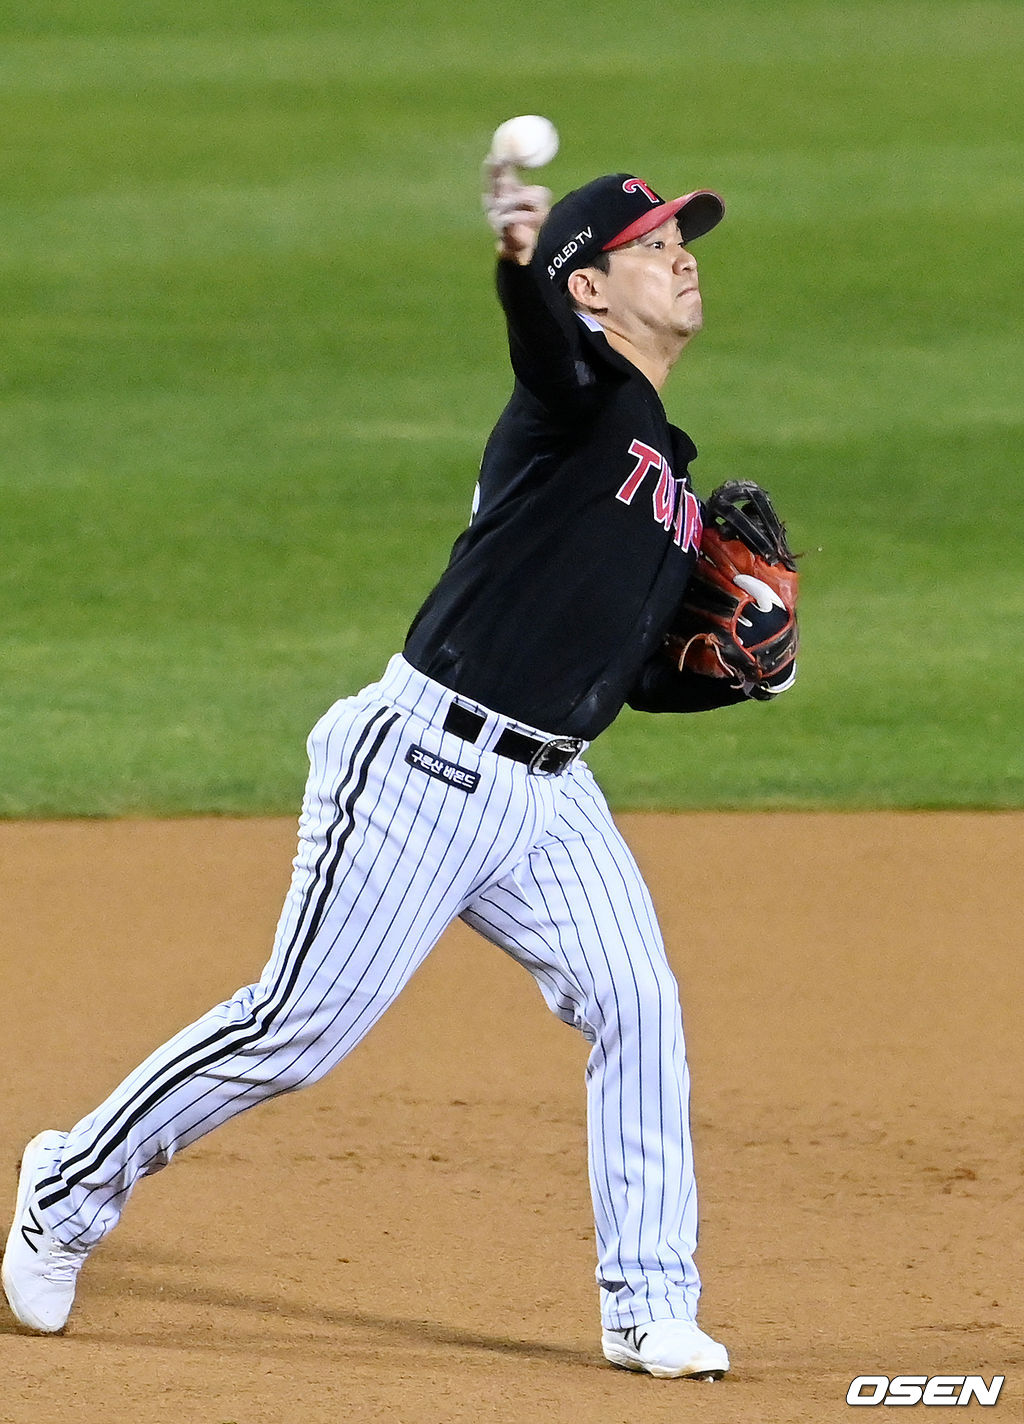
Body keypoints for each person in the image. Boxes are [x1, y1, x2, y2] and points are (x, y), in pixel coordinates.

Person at [3, 158, 795, 1380]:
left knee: (637, 1003)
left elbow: (638, 676)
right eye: (650, 243)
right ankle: (66, 1185)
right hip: (424, 761)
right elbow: (541, 342)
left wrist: (748, 665)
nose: (681, 253)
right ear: (589, 285)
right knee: (295, 1028)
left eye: (681, 238)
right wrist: (518, 258)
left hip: (550, 794)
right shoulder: (575, 399)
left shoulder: (663, 480)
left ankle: (649, 1302)